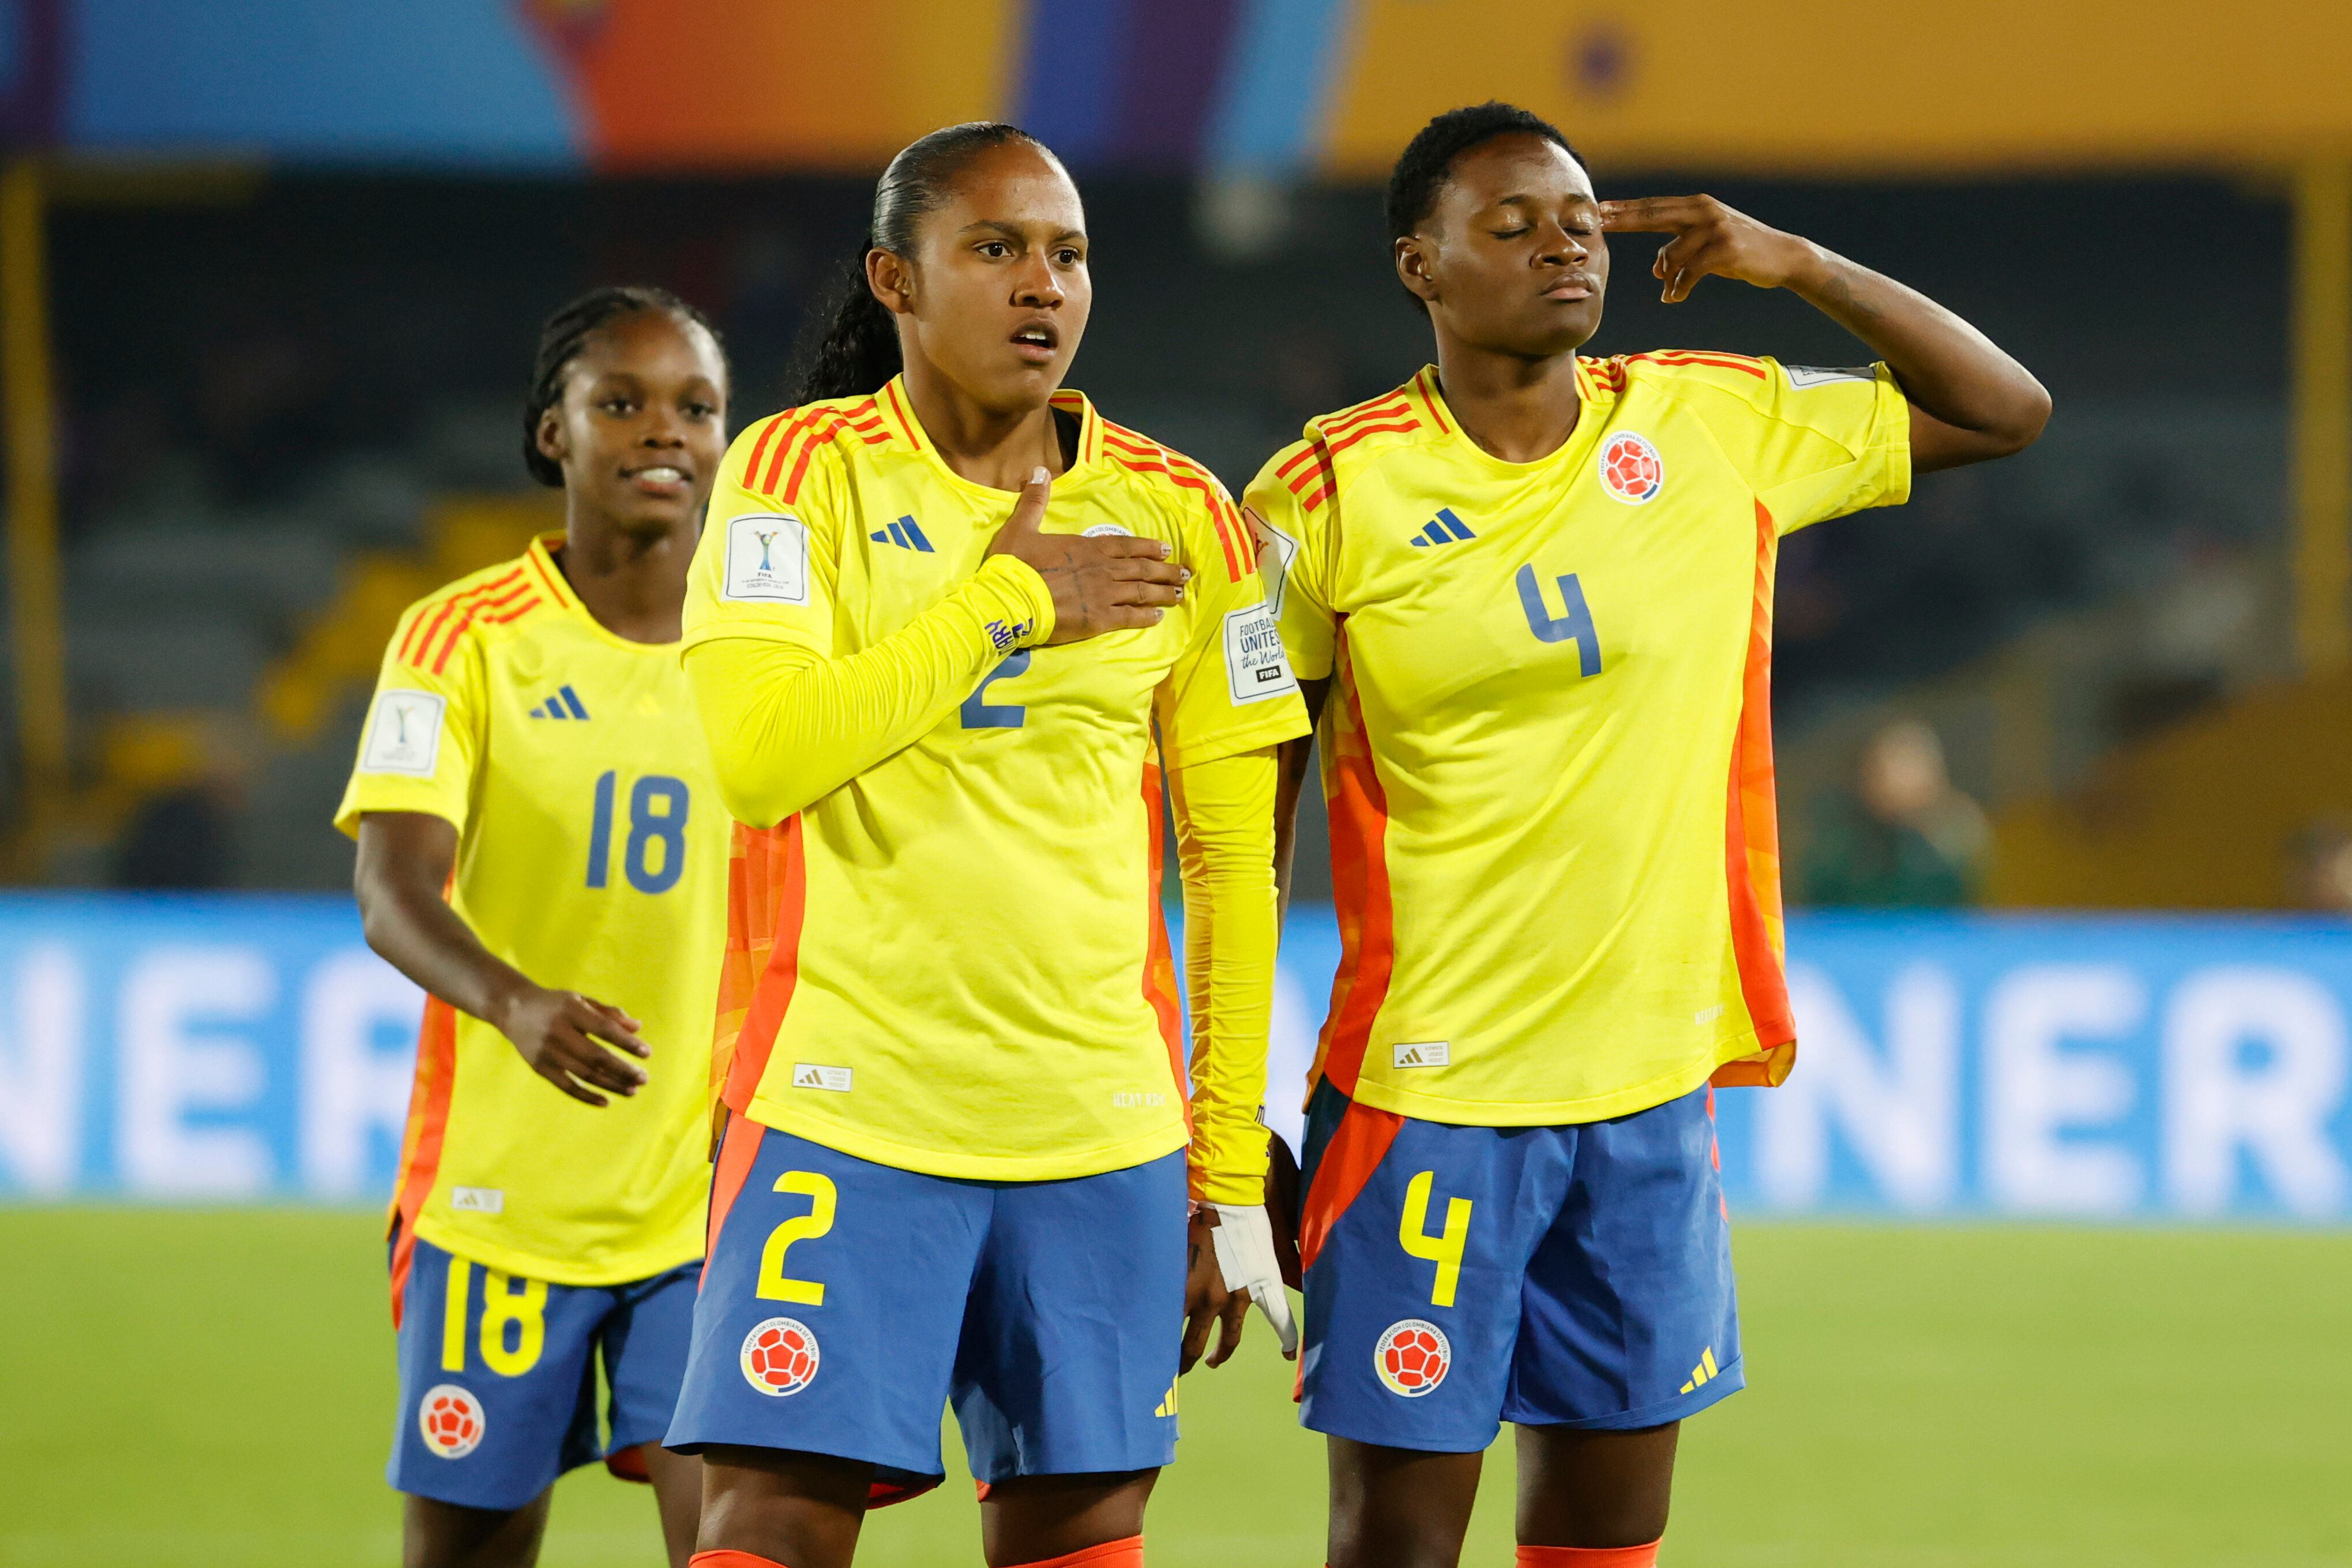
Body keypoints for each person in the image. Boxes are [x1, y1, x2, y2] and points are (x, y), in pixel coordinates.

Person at [1247, 103, 2049, 1568]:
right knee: (1395, 1541)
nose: (1560, 245)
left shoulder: (1711, 418)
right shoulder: (1320, 495)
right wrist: (1220, 1097)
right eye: (1510, 222)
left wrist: (1797, 262)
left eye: (1576, 219)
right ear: (1416, 266)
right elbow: (1247, 808)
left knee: (1612, 1532)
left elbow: (2005, 410)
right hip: (1424, 1095)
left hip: (1647, 1093)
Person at [663, 122, 1307, 1568]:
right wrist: (1005, 603)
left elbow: (1232, 860)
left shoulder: (1183, 512)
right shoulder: (792, 473)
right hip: (847, 1100)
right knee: (768, 1514)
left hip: (1097, 1127)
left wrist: (1217, 1167)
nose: (1042, 285)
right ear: (895, 278)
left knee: (1082, 1530)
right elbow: (760, 756)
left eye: (1067, 254)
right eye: (996, 249)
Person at [339, 286, 733, 1568]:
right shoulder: (461, 640)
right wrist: (515, 1002)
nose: (660, 432)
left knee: (737, 1543)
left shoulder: (772, 651)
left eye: (693, 406)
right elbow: (394, 891)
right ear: (553, 433)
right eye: (618, 402)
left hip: (715, 1202)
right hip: (501, 1205)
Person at [1799, 717, 1989, 907]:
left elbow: (1970, 897)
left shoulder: (1958, 833)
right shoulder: (1842, 840)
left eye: (1909, 765)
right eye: (1884, 766)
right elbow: (1821, 898)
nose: (1896, 777)